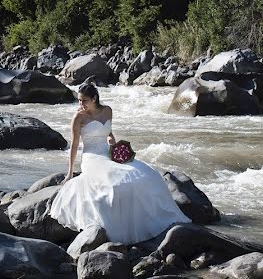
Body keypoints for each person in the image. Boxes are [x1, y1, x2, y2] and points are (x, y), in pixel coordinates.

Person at [48, 82, 190, 245]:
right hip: (92, 156)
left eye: (84, 100)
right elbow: (74, 146)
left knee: (148, 175)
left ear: (94, 98)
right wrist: (70, 172)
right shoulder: (78, 117)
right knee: (113, 185)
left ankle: (154, 220)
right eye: (79, 100)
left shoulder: (107, 110)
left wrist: (116, 149)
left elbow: (109, 134)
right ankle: (113, 231)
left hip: (107, 152)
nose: (81, 104)